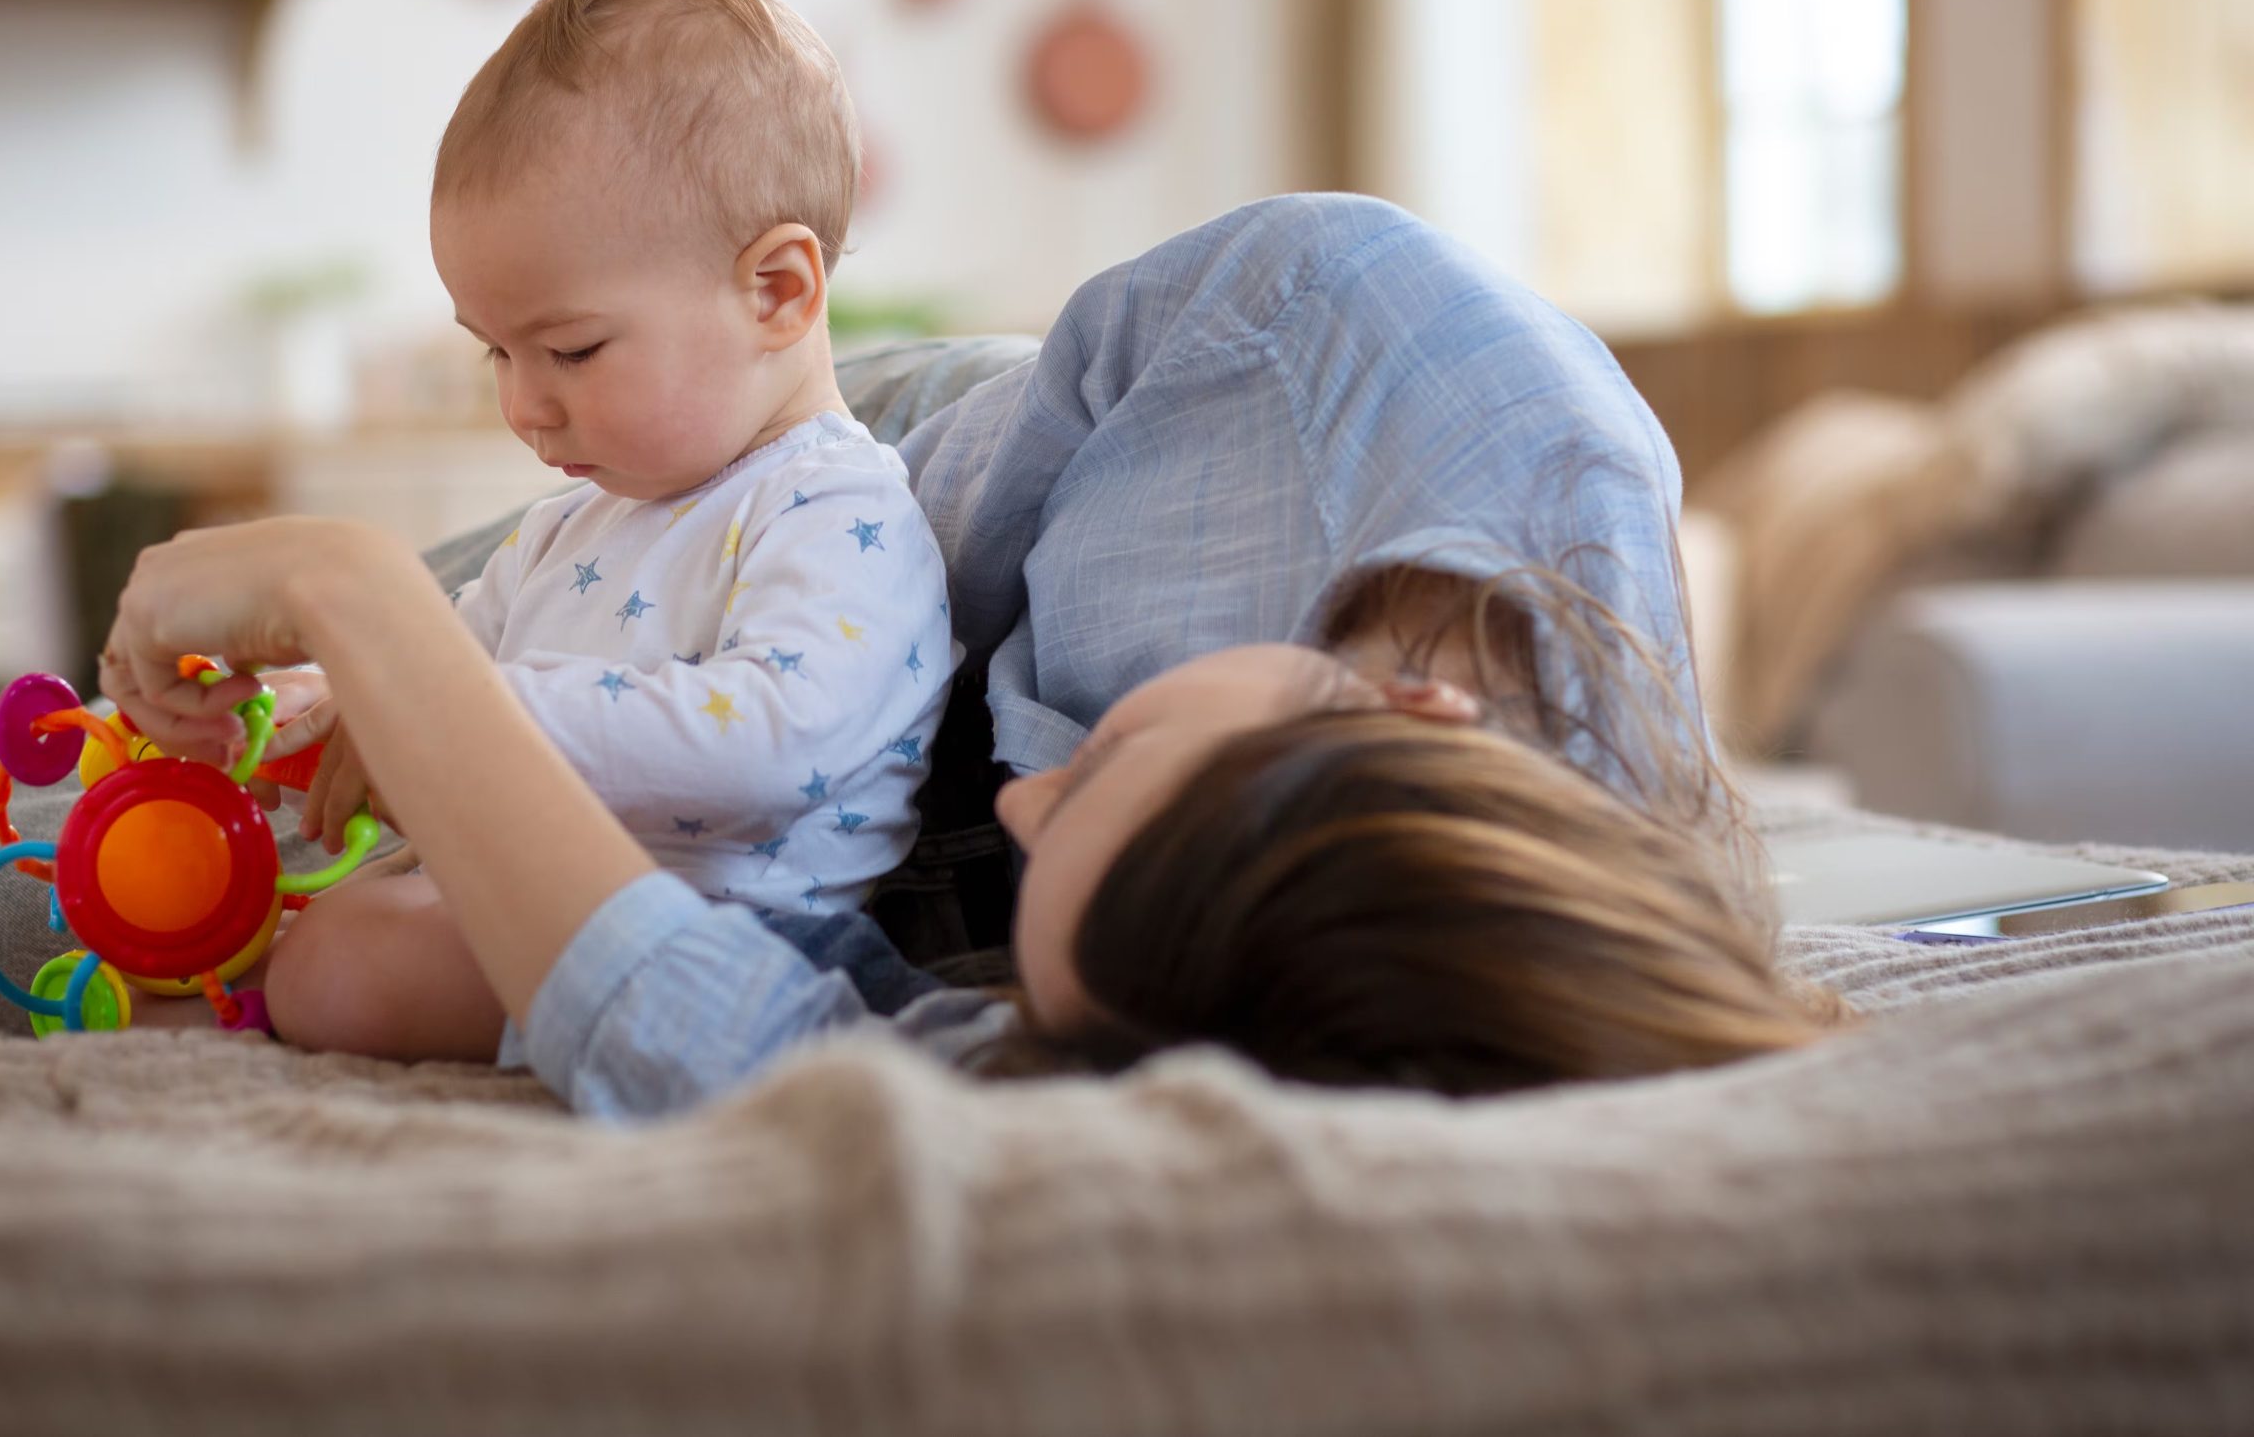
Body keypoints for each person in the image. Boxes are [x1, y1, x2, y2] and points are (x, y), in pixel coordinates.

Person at [88, 193, 1843, 1119]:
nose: (1029, 801)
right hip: (850, 525)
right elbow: (905, 574)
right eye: (1119, 762)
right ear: (1405, 704)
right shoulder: (1362, 354)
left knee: (105, 914)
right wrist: (411, 628)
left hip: (831, 853)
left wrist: (361, 604)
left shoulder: (1366, 1001)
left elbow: (769, 1057)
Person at [112, 0, 956, 1056]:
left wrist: (462, 711)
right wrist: (283, 715)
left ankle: (275, 1005)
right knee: (291, 915)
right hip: (521, 906)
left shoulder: (834, 504)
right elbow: (428, 690)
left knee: (352, 956)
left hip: (738, 944)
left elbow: (772, 748)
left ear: (777, 291)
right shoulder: (569, 528)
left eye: (570, 349)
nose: (523, 406)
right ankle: (246, 994)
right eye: (494, 355)